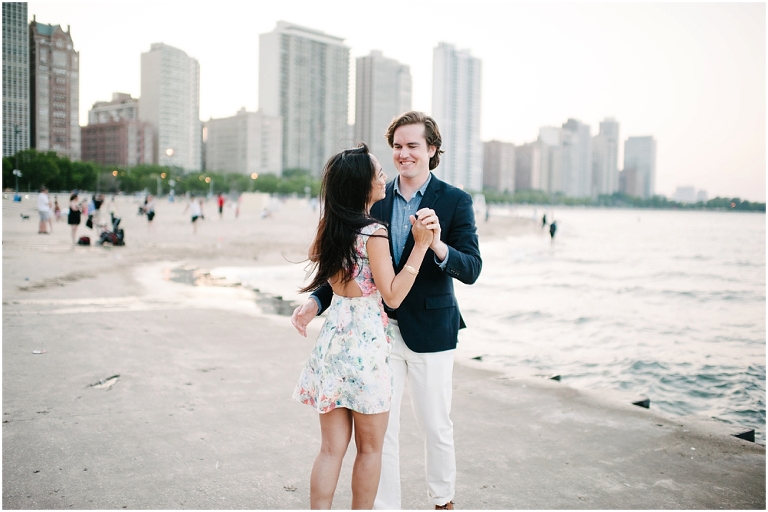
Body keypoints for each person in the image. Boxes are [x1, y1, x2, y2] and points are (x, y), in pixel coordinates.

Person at [292, 111, 482, 510]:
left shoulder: (454, 200)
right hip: (379, 335)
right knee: (382, 434)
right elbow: (351, 267)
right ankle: (385, 507)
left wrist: (436, 245)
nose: (403, 154)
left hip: (432, 329)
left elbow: (472, 268)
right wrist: (315, 300)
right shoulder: (375, 198)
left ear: (432, 150)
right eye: (397, 146)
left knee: (435, 426)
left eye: (413, 146)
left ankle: (442, 500)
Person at [292, 144, 434, 509]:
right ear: (362, 185)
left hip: (333, 344)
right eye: (378, 172)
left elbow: (324, 267)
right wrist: (420, 247)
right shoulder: (374, 232)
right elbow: (394, 295)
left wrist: (313, 302)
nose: (384, 175)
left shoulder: (331, 228)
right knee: (370, 450)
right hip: (366, 350)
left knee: (330, 449)